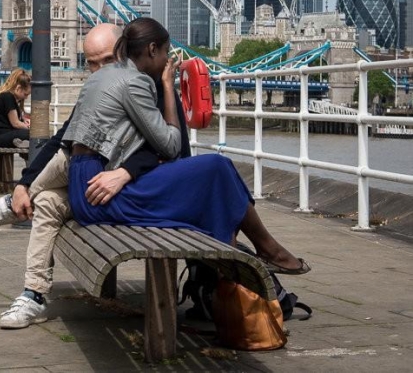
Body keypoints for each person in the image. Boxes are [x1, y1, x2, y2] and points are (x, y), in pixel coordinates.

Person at [0, 23, 176, 328]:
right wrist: (25, 183)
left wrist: (125, 173)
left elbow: (166, 149)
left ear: (124, 51)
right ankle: (34, 295)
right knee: (49, 202)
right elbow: (63, 138)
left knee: (61, 172)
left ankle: (11, 205)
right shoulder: (99, 86)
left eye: (105, 61)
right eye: (91, 63)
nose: (99, 70)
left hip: (125, 184)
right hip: (91, 177)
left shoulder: (149, 84)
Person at [64, 17, 310, 272]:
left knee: (215, 175)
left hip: (85, 186)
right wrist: (169, 87)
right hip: (102, 194)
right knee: (217, 167)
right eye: (165, 52)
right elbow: (171, 147)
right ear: (152, 50)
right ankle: (265, 253)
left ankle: (251, 257)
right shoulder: (136, 81)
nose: (167, 59)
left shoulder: (101, 76)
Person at [0, 69, 31, 148]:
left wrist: (23, 121)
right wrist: (28, 127)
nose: (26, 97)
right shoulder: (8, 97)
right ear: (18, 88)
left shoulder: (0, 94)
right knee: (34, 134)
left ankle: (23, 144)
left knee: (30, 136)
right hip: (0, 138)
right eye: (25, 94)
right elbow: (15, 123)